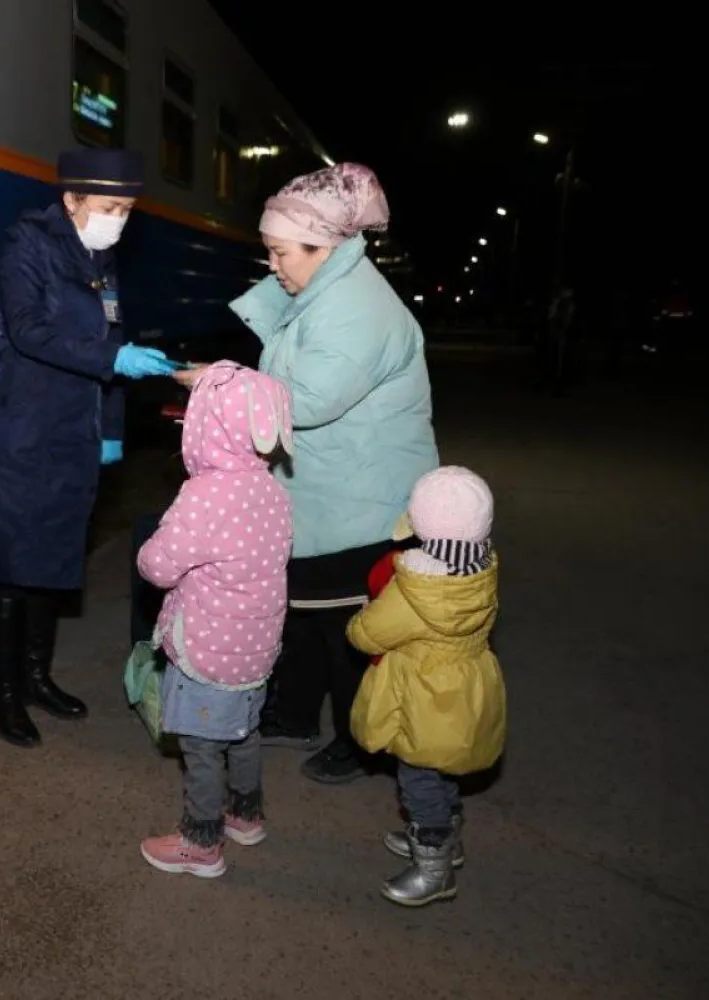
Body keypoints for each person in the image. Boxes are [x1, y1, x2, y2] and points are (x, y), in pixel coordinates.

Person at [0, 148, 179, 748]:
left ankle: (35, 678)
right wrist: (114, 359)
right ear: (72, 199)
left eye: (128, 209)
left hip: (76, 426)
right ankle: (2, 697)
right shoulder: (26, 245)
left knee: (54, 557)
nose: (120, 220)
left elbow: (111, 333)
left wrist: (110, 427)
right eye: (110, 207)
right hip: (22, 426)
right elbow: (28, 331)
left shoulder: (100, 255)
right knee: (10, 564)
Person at [223, 162, 440, 785]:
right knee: (305, 610)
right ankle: (293, 714)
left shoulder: (356, 307)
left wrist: (224, 388)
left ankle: (359, 739)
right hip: (329, 491)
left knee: (348, 627)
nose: (273, 265)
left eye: (281, 252)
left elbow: (309, 400)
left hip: (361, 499)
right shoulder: (325, 291)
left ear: (325, 247)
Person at [135, 362, 294, 878]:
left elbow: (158, 566)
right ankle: (245, 815)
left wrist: (151, 542)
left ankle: (200, 842)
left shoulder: (205, 495)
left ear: (207, 423)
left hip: (208, 647)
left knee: (202, 748)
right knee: (243, 731)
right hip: (257, 646)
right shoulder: (271, 488)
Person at [347, 466, 506, 906]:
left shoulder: (415, 589)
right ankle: (448, 842)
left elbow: (367, 635)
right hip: (466, 691)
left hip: (423, 700)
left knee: (418, 778)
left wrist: (360, 618)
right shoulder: (481, 571)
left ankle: (433, 869)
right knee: (444, 767)